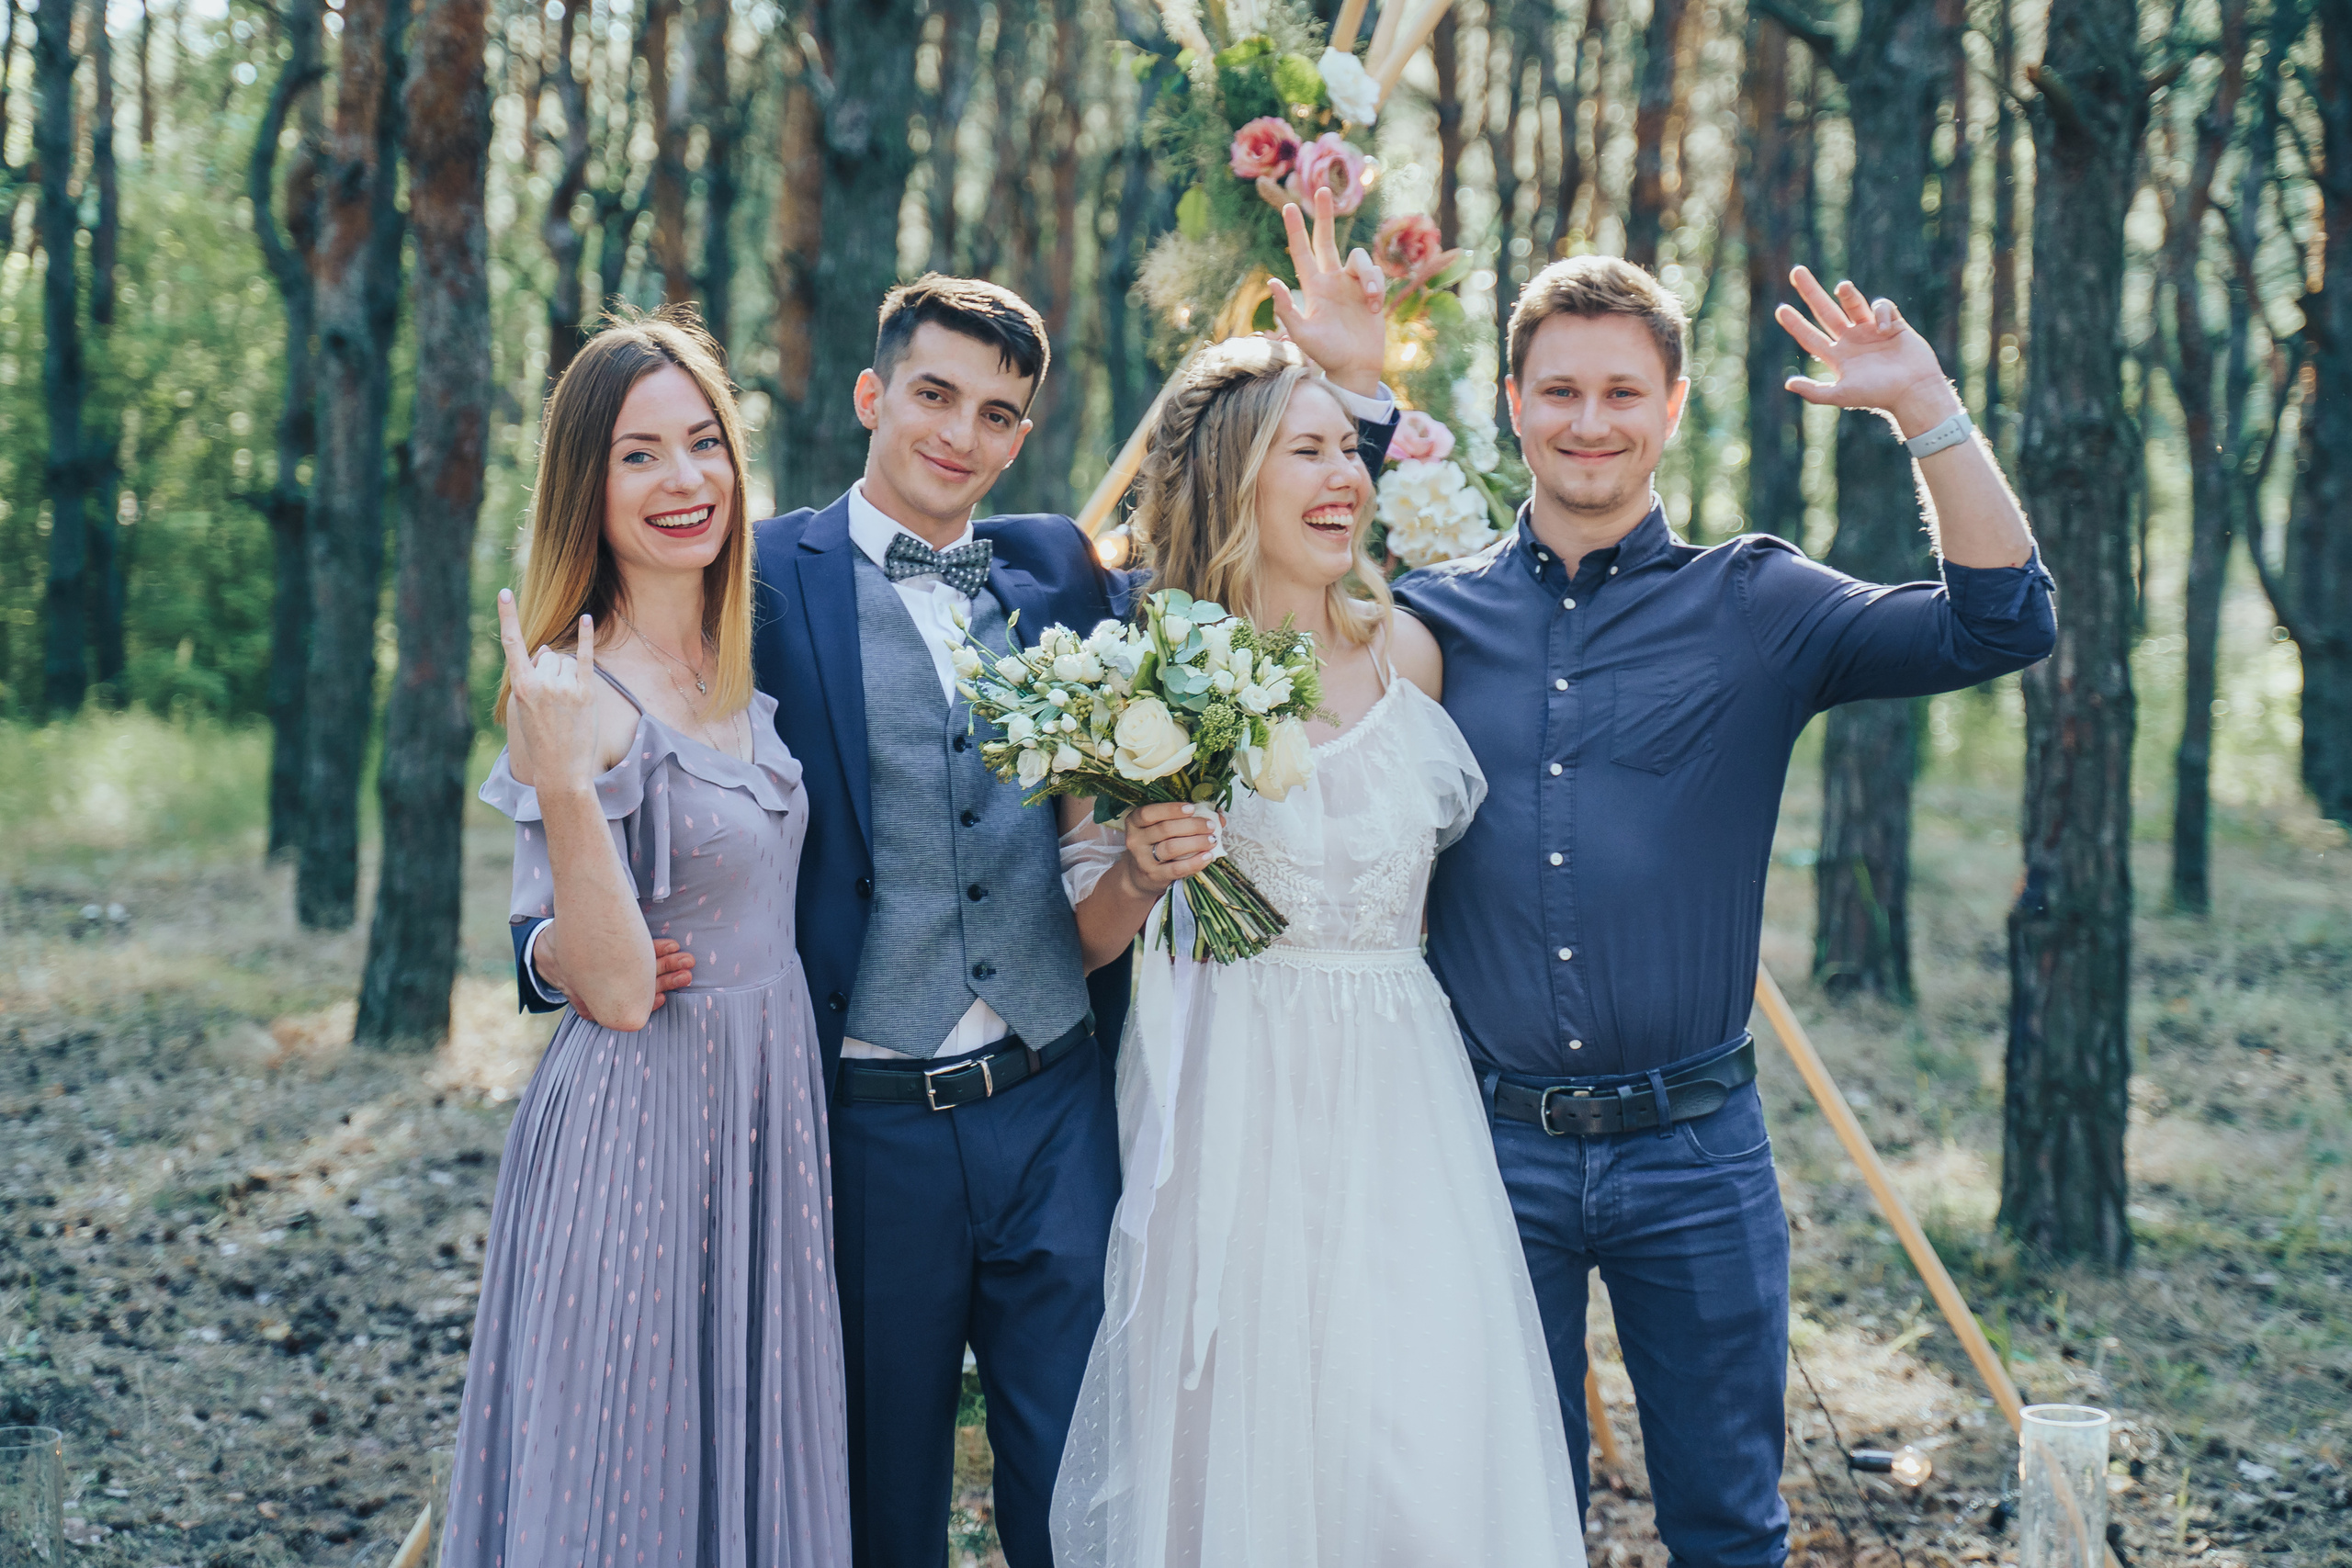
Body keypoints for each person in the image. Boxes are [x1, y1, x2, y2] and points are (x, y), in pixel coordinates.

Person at [514, 194, 1401, 1568]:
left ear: (1022, 436)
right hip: (863, 1122)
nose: (959, 435)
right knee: (880, 1502)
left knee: (1082, 1487)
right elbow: (634, 700)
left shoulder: (1057, 568)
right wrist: (545, 945)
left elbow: (1243, 540)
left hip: (1053, 1101)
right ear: (872, 396)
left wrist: (1360, 404)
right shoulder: (759, 572)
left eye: (996, 414)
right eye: (932, 395)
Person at [1390, 257, 2057, 1566]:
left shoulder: (1755, 603)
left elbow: (2003, 625)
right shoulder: (1428, 619)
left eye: (1622, 392)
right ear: (1513, 404)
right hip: (1483, 1147)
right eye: (1560, 391)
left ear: (1674, 405)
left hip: (1692, 1154)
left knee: (1729, 1528)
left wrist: (1928, 410)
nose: (1591, 421)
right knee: (1500, 1522)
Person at [1048, 351, 1586, 1559]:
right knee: (1247, 1432)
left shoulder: (1410, 656)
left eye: (1351, 450)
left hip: (1402, 1101)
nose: (1347, 475)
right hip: (1231, 1094)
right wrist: (1139, 872)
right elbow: (1080, 938)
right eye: (1310, 450)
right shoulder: (1141, 672)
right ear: (1233, 479)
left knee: (1412, 1436)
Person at [448, 309, 850, 1565]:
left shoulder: (741, 663)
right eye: (638, 454)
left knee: (739, 1457)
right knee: (629, 1473)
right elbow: (617, 989)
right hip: (640, 1128)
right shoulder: (575, 693)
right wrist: (567, 781)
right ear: (588, 483)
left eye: (703, 443)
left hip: (767, 1113)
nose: (684, 479)